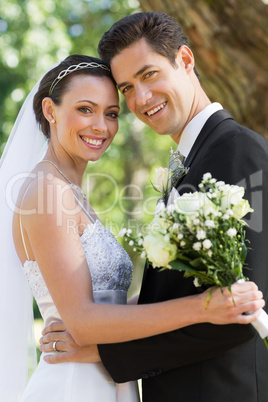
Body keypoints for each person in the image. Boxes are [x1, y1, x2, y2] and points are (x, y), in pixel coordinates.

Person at [0, 53, 262, 402]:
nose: (101, 126)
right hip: (74, 384)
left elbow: (105, 303)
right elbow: (82, 322)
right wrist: (203, 306)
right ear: (50, 111)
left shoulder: (69, 191)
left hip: (109, 376)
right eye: (85, 109)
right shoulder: (47, 191)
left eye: (111, 113)